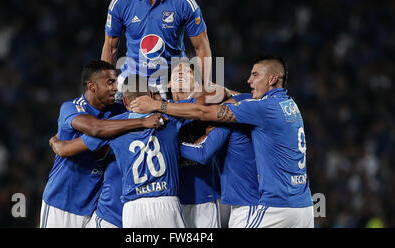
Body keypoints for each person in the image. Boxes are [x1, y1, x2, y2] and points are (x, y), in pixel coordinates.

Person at [131, 55, 315, 228]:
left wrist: (164, 140)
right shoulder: (286, 104)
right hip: (300, 203)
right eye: (176, 73)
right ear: (168, 84)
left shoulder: (245, 108)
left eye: (255, 75)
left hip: (254, 203)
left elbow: (204, 138)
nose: (249, 80)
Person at [47, 75, 188, 228]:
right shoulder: (170, 118)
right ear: (152, 95)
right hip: (166, 202)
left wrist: (54, 141)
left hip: (133, 208)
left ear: (125, 101)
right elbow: (200, 110)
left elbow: (65, 149)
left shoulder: (113, 127)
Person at [101, 0, 212, 96]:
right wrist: (107, 86)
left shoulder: (184, 2)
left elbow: (201, 46)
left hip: (172, 83)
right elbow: (110, 48)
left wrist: (203, 87)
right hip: (133, 84)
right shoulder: (120, 3)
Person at [179, 92, 260, 228]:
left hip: (233, 199)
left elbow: (203, 153)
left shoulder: (225, 111)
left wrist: (170, 147)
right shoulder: (164, 109)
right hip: (237, 200)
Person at [169, 60, 222, 228]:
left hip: (204, 198)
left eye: (188, 72)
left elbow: (205, 153)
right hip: (170, 201)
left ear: (197, 84)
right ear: (169, 83)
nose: (181, 73)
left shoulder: (208, 109)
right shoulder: (158, 113)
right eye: (176, 71)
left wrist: (170, 148)